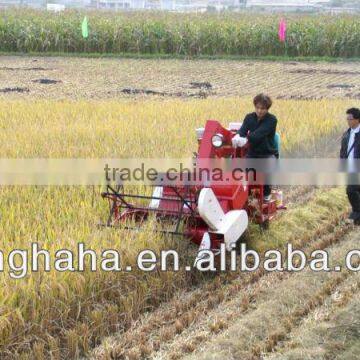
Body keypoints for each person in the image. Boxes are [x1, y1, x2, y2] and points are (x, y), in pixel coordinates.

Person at [232, 94, 278, 202]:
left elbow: (259, 134)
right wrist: (237, 136)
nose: (259, 111)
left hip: (267, 153)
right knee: (241, 170)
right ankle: (244, 194)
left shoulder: (272, 120)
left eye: (263, 108)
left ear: (267, 109)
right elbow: (242, 130)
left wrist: (246, 139)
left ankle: (266, 193)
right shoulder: (249, 117)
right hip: (252, 153)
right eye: (257, 107)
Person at [340, 108, 360, 225]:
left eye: (350, 118)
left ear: (357, 120)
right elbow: (343, 151)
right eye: (347, 118)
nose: (348, 121)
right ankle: (357, 218)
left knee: (351, 190)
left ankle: (357, 212)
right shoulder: (347, 133)